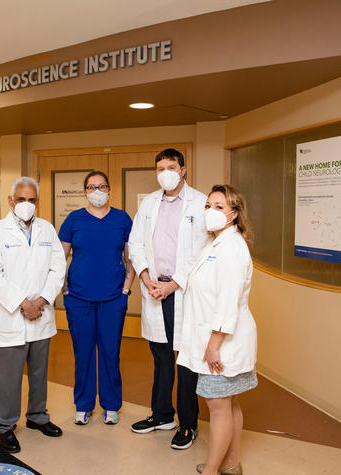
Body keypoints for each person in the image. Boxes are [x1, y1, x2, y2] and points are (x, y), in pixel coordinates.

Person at [128, 148, 211, 450]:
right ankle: (162, 414)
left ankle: (188, 424)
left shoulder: (200, 203)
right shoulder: (149, 203)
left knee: (185, 361)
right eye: (160, 167)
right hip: (154, 289)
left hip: (182, 292)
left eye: (171, 166)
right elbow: (135, 243)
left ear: (184, 169)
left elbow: (203, 251)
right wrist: (146, 275)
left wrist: (174, 284)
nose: (166, 172)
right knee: (161, 357)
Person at [0, 176, 66, 454]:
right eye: (21, 200)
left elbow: (57, 268)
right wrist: (23, 303)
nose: (26, 205)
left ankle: (37, 417)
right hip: (12, 316)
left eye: (31, 200)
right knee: (8, 376)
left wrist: (40, 300)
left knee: (40, 372)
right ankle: (5, 426)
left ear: (37, 202)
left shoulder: (47, 229)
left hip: (41, 314)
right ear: (10, 201)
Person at [177, 185, 257, 475]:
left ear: (234, 214)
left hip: (222, 342)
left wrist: (213, 345)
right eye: (208, 205)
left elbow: (227, 301)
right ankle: (231, 464)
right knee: (229, 403)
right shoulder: (217, 243)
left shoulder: (232, 249)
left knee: (218, 405)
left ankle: (212, 470)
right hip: (219, 338)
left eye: (219, 207)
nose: (210, 211)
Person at [58, 171, 135, 426]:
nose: (97, 191)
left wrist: (125, 289)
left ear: (109, 189)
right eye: (92, 187)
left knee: (110, 352)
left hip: (113, 298)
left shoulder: (122, 219)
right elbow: (60, 259)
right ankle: (83, 404)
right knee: (83, 352)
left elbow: (131, 258)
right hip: (78, 298)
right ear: (85, 192)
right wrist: (65, 290)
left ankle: (111, 405)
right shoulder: (74, 219)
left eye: (102, 186)